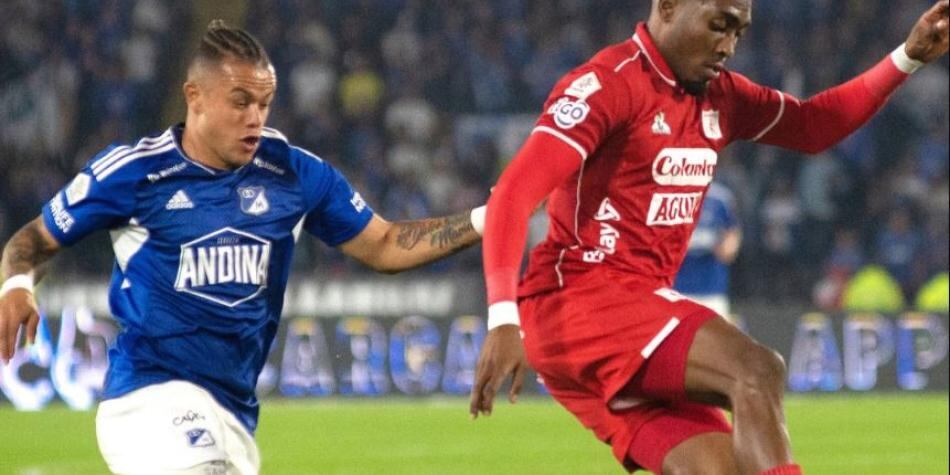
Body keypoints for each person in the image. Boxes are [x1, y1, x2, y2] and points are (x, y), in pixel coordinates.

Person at [470, 1, 949, 474]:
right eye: (719, 25)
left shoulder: (722, 96)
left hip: (628, 316)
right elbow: (513, 194)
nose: (728, 46)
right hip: (581, 297)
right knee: (756, 369)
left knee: (720, 469)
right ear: (669, 7)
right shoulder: (608, 84)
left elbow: (812, 125)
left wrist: (906, 57)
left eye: (738, 32)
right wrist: (502, 318)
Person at [0, 21, 485, 475]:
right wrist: (17, 285)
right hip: (147, 398)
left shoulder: (292, 173)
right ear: (194, 96)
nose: (255, 118)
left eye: (264, 103)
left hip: (232, 414)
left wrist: (489, 218)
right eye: (240, 102)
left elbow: (385, 244)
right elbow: (34, 239)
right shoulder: (134, 172)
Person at [674, 181, 742, 325]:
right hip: (676, 289)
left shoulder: (721, 197)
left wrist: (728, 248)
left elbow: (732, 232)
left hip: (711, 288)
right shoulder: (672, 195)